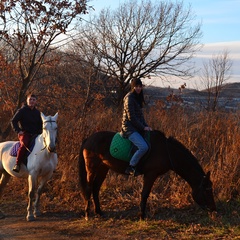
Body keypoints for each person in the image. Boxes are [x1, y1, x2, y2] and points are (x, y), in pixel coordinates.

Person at [121, 78, 152, 176]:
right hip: (129, 128)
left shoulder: (137, 98)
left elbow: (141, 117)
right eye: (136, 86)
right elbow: (132, 118)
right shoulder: (129, 98)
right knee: (143, 147)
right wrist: (143, 128)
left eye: (140, 86)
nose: (138, 88)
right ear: (132, 87)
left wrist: (147, 126)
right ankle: (131, 166)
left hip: (136, 127)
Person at [11, 93, 43, 173]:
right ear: (27, 100)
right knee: (24, 144)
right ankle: (17, 164)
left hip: (36, 134)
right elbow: (13, 121)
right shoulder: (22, 111)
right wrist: (18, 131)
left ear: (36, 101)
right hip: (25, 133)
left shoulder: (37, 113)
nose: (32, 101)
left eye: (33, 100)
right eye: (30, 100)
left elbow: (40, 124)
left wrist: (41, 131)